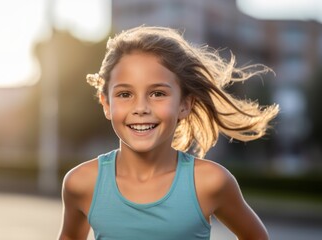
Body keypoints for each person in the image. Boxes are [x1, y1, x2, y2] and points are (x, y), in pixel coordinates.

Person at [58, 26, 279, 240]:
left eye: (157, 93)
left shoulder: (211, 182)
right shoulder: (82, 183)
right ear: (106, 104)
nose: (141, 107)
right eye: (125, 94)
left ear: (184, 104)